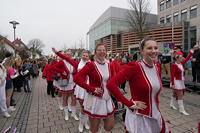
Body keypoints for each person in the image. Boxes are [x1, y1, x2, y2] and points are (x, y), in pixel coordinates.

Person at [107, 37, 169, 133]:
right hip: (140, 116)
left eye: (155, 48)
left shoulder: (157, 67)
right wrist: (129, 103)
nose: (153, 51)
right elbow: (110, 84)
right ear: (142, 51)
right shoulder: (134, 67)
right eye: (149, 48)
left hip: (156, 114)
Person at [74, 44, 120, 133]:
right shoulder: (90, 65)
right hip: (95, 99)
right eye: (99, 50)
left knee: (109, 126)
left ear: (106, 52)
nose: (102, 52)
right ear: (95, 52)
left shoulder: (109, 65)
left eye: (103, 50)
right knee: (94, 129)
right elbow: (77, 78)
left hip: (107, 98)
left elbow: (113, 83)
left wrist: (119, 98)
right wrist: (91, 88)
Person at [52, 48, 90, 132]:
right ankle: (73, 118)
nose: (85, 57)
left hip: (82, 86)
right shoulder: (75, 63)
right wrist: (57, 53)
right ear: (80, 56)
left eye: (87, 56)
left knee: (84, 105)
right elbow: (58, 65)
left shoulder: (89, 63)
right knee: (71, 101)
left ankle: (80, 119)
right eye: (83, 55)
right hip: (72, 85)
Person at [50, 50, 79, 121]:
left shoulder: (74, 62)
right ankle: (66, 114)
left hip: (73, 83)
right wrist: (61, 71)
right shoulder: (62, 62)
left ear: (72, 55)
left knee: (74, 99)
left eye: (70, 54)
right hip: (65, 83)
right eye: (67, 54)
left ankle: (73, 113)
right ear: (65, 55)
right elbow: (52, 68)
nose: (68, 56)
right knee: (65, 98)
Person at [170, 45, 198, 115]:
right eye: (181, 57)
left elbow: (187, 58)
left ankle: (171, 104)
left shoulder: (181, 64)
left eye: (182, 57)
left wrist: (191, 52)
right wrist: (172, 83)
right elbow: (172, 75)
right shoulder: (174, 65)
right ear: (177, 58)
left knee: (174, 94)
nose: (182, 58)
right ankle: (181, 110)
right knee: (180, 95)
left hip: (181, 81)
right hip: (176, 82)